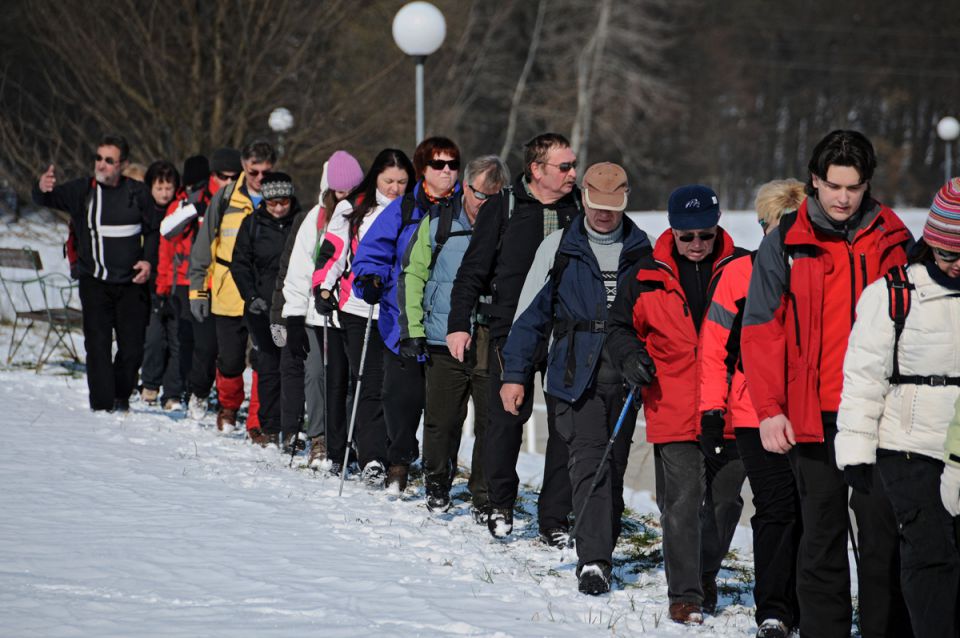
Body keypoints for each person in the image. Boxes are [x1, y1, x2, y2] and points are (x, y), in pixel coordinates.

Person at [742, 129, 914, 638]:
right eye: (833, 186)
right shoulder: (785, 242)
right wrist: (770, 408)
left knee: (884, 539)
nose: (842, 198)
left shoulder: (893, 239)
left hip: (877, 414)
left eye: (853, 188)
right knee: (820, 538)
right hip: (811, 417)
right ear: (814, 181)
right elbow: (760, 330)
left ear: (867, 186)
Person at [500, 162, 651, 595]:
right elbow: (528, 318)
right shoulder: (559, 247)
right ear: (583, 196)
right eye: (597, 205)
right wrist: (515, 375)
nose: (604, 214)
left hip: (624, 380)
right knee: (589, 463)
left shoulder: (645, 250)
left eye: (613, 206)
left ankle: (601, 543)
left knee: (613, 465)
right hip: (571, 377)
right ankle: (594, 562)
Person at [606, 184, 748, 624]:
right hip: (673, 403)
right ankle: (685, 593)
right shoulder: (646, 273)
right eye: (687, 237)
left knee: (725, 504)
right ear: (673, 231)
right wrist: (630, 356)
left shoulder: (746, 265)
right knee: (683, 502)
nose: (697, 245)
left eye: (705, 235)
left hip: (732, 405)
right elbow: (617, 328)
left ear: (717, 224)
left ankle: (706, 573)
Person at [837, 177, 960, 638]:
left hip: (958, 446)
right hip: (907, 446)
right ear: (931, 244)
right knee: (929, 556)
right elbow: (864, 377)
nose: (955, 263)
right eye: (947, 253)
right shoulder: (892, 294)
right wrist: (855, 449)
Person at [447, 132, 578, 541]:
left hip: (566, 336)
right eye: (565, 167)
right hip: (512, 331)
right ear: (536, 170)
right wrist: (457, 323)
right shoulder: (503, 206)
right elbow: (473, 271)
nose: (574, 173)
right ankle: (499, 503)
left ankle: (554, 518)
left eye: (574, 165)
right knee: (505, 422)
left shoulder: (580, 210)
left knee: (565, 428)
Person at [698, 179, 805, 637]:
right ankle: (774, 609)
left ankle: (806, 603)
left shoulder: (813, 273)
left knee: (809, 509)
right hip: (750, 412)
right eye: (770, 224)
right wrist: (711, 410)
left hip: (806, 411)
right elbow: (714, 346)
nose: (775, 233)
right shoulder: (740, 274)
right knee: (777, 507)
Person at [397, 155, 509, 516]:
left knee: (491, 421)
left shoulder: (510, 228)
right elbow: (413, 275)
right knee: (442, 419)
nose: (484, 203)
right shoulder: (439, 223)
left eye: (494, 197)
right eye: (478, 194)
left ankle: (484, 495)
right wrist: (412, 329)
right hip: (443, 336)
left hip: (490, 338)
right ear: (465, 189)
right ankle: (436, 481)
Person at [351, 137, 462, 493]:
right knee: (400, 400)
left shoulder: (467, 206)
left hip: (447, 323)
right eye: (438, 165)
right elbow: (374, 251)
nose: (447, 171)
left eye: (453, 164)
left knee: (443, 409)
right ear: (423, 170)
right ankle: (398, 460)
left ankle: (439, 470)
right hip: (401, 320)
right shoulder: (403, 208)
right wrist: (369, 277)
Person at [32, 134, 157, 412]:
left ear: (122, 165)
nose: (101, 165)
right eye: (98, 158)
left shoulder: (137, 193)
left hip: (131, 284)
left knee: (133, 348)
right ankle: (101, 406)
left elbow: (153, 231)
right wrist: (41, 187)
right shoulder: (82, 191)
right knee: (98, 345)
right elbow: (44, 198)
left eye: (109, 161)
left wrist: (148, 262)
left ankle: (121, 394)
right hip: (95, 282)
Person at [311, 149, 415, 479]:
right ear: (375, 179)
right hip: (359, 308)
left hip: (399, 311)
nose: (395, 188)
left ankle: (396, 449)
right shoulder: (353, 209)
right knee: (369, 382)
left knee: (396, 387)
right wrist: (323, 288)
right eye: (388, 181)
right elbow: (332, 254)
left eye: (402, 181)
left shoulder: (415, 210)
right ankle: (371, 455)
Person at [275, 150, 364, 461]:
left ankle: (349, 438)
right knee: (315, 374)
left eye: (350, 191)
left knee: (350, 379)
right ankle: (318, 437)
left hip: (352, 311)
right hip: (315, 313)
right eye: (339, 191)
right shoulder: (315, 219)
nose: (345, 197)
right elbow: (298, 270)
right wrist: (294, 317)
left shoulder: (366, 215)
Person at [188, 141, 276, 432]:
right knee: (229, 360)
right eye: (254, 171)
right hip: (227, 290)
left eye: (266, 171)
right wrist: (198, 289)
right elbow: (204, 246)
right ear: (244, 166)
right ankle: (228, 407)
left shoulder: (281, 199)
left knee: (264, 358)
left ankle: (258, 422)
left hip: (264, 291)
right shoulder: (226, 197)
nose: (260, 178)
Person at [161, 148, 241, 420]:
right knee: (199, 346)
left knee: (228, 349)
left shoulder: (243, 201)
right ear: (212, 175)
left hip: (230, 285)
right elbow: (166, 230)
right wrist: (193, 209)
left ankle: (223, 402)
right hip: (193, 282)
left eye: (234, 176)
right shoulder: (195, 198)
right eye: (222, 176)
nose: (228, 182)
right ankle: (193, 392)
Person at [231, 172, 299, 447]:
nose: (279, 208)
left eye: (283, 201)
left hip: (293, 305)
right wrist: (250, 296)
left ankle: (294, 426)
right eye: (273, 203)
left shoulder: (301, 221)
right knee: (269, 365)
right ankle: (270, 426)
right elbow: (240, 263)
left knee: (294, 366)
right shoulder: (252, 224)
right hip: (261, 307)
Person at [140, 161, 183, 409]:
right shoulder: (145, 212)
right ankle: (150, 384)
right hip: (151, 281)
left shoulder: (180, 211)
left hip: (176, 281)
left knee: (177, 338)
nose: (165, 193)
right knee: (154, 337)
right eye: (160, 188)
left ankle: (173, 392)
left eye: (169, 187)